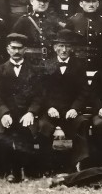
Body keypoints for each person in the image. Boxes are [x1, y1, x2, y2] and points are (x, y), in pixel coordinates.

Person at [35, 29, 91, 174]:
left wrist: (75, 109)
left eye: (67, 46)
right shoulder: (46, 64)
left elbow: (83, 91)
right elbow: (41, 91)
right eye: (60, 46)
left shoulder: (79, 66)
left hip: (70, 110)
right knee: (43, 126)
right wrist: (48, 107)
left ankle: (77, 166)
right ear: (55, 48)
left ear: (71, 48)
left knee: (81, 123)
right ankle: (46, 166)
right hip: (51, 110)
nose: (64, 50)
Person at [0, 33, 42, 183]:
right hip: (6, 112)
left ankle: (25, 170)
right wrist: (4, 113)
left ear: (25, 50)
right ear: (8, 49)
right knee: (1, 134)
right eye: (13, 48)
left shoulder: (34, 70)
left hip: (26, 113)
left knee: (26, 131)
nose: (17, 51)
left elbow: (39, 96)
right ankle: (9, 171)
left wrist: (31, 112)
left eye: (20, 48)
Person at [11, 0, 64, 67]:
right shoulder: (23, 21)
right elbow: (13, 43)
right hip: (28, 62)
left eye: (45, 1)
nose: (42, 4)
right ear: (32, 1)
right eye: (39, 0)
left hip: (49, 62)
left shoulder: (53, 22)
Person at [66, 0, 102, 72]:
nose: (91, 4)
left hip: (99, 63)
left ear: (98, 4)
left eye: (94, 1)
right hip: (77, 63)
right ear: (81, 4)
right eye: (87, 1)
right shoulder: (73, 21)